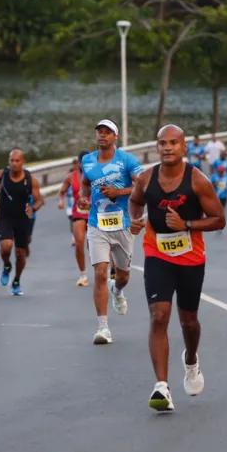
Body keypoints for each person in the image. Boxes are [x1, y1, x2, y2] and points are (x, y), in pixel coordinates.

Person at [128, 124, 226, 412]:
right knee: (159, 316)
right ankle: (162, 386)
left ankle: (191, 359)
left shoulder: (198, 181)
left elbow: (219, 219)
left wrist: (187, 224)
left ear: (184, 147)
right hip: (156, 252)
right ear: (156, 147)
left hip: (190, 257)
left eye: (173, 143)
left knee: (188, 322)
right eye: (162, 143)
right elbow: (134, 203)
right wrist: (134, 219)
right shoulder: (146, 179)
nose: (167, 147)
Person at [76, 119, 144, 345]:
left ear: (116, 137)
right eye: (99, 132)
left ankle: (117, 290)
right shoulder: (87, 161)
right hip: (97, 225)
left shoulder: (127, 160)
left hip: (123, 224)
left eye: (107, 132)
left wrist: (119, 191)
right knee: (100, 273)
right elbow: (85, 182)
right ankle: (103, 328)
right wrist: (84, 197)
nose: (102, 135)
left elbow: (142, 185)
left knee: (123, 276)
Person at [0, 149, 45, 296]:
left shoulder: (30, 179)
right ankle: (7, 265)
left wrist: (33, 208)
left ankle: (17, 280)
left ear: (23, 162)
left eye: (17, 161)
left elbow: (40, 200)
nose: (14, 164)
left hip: (22, 219)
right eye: (11, 160)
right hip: (5, 217)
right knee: (6, 247)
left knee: (20, 254)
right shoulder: (1, 176)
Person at [59, 151, 91, 286]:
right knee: (79, 242)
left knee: (94, 245)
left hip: (94, 213)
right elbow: (61, 192)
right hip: (78, 212)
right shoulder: (70, 177)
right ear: (78, 163)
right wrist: (61, 201)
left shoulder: (96, 174)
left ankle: (101, 269)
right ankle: (83, 274)